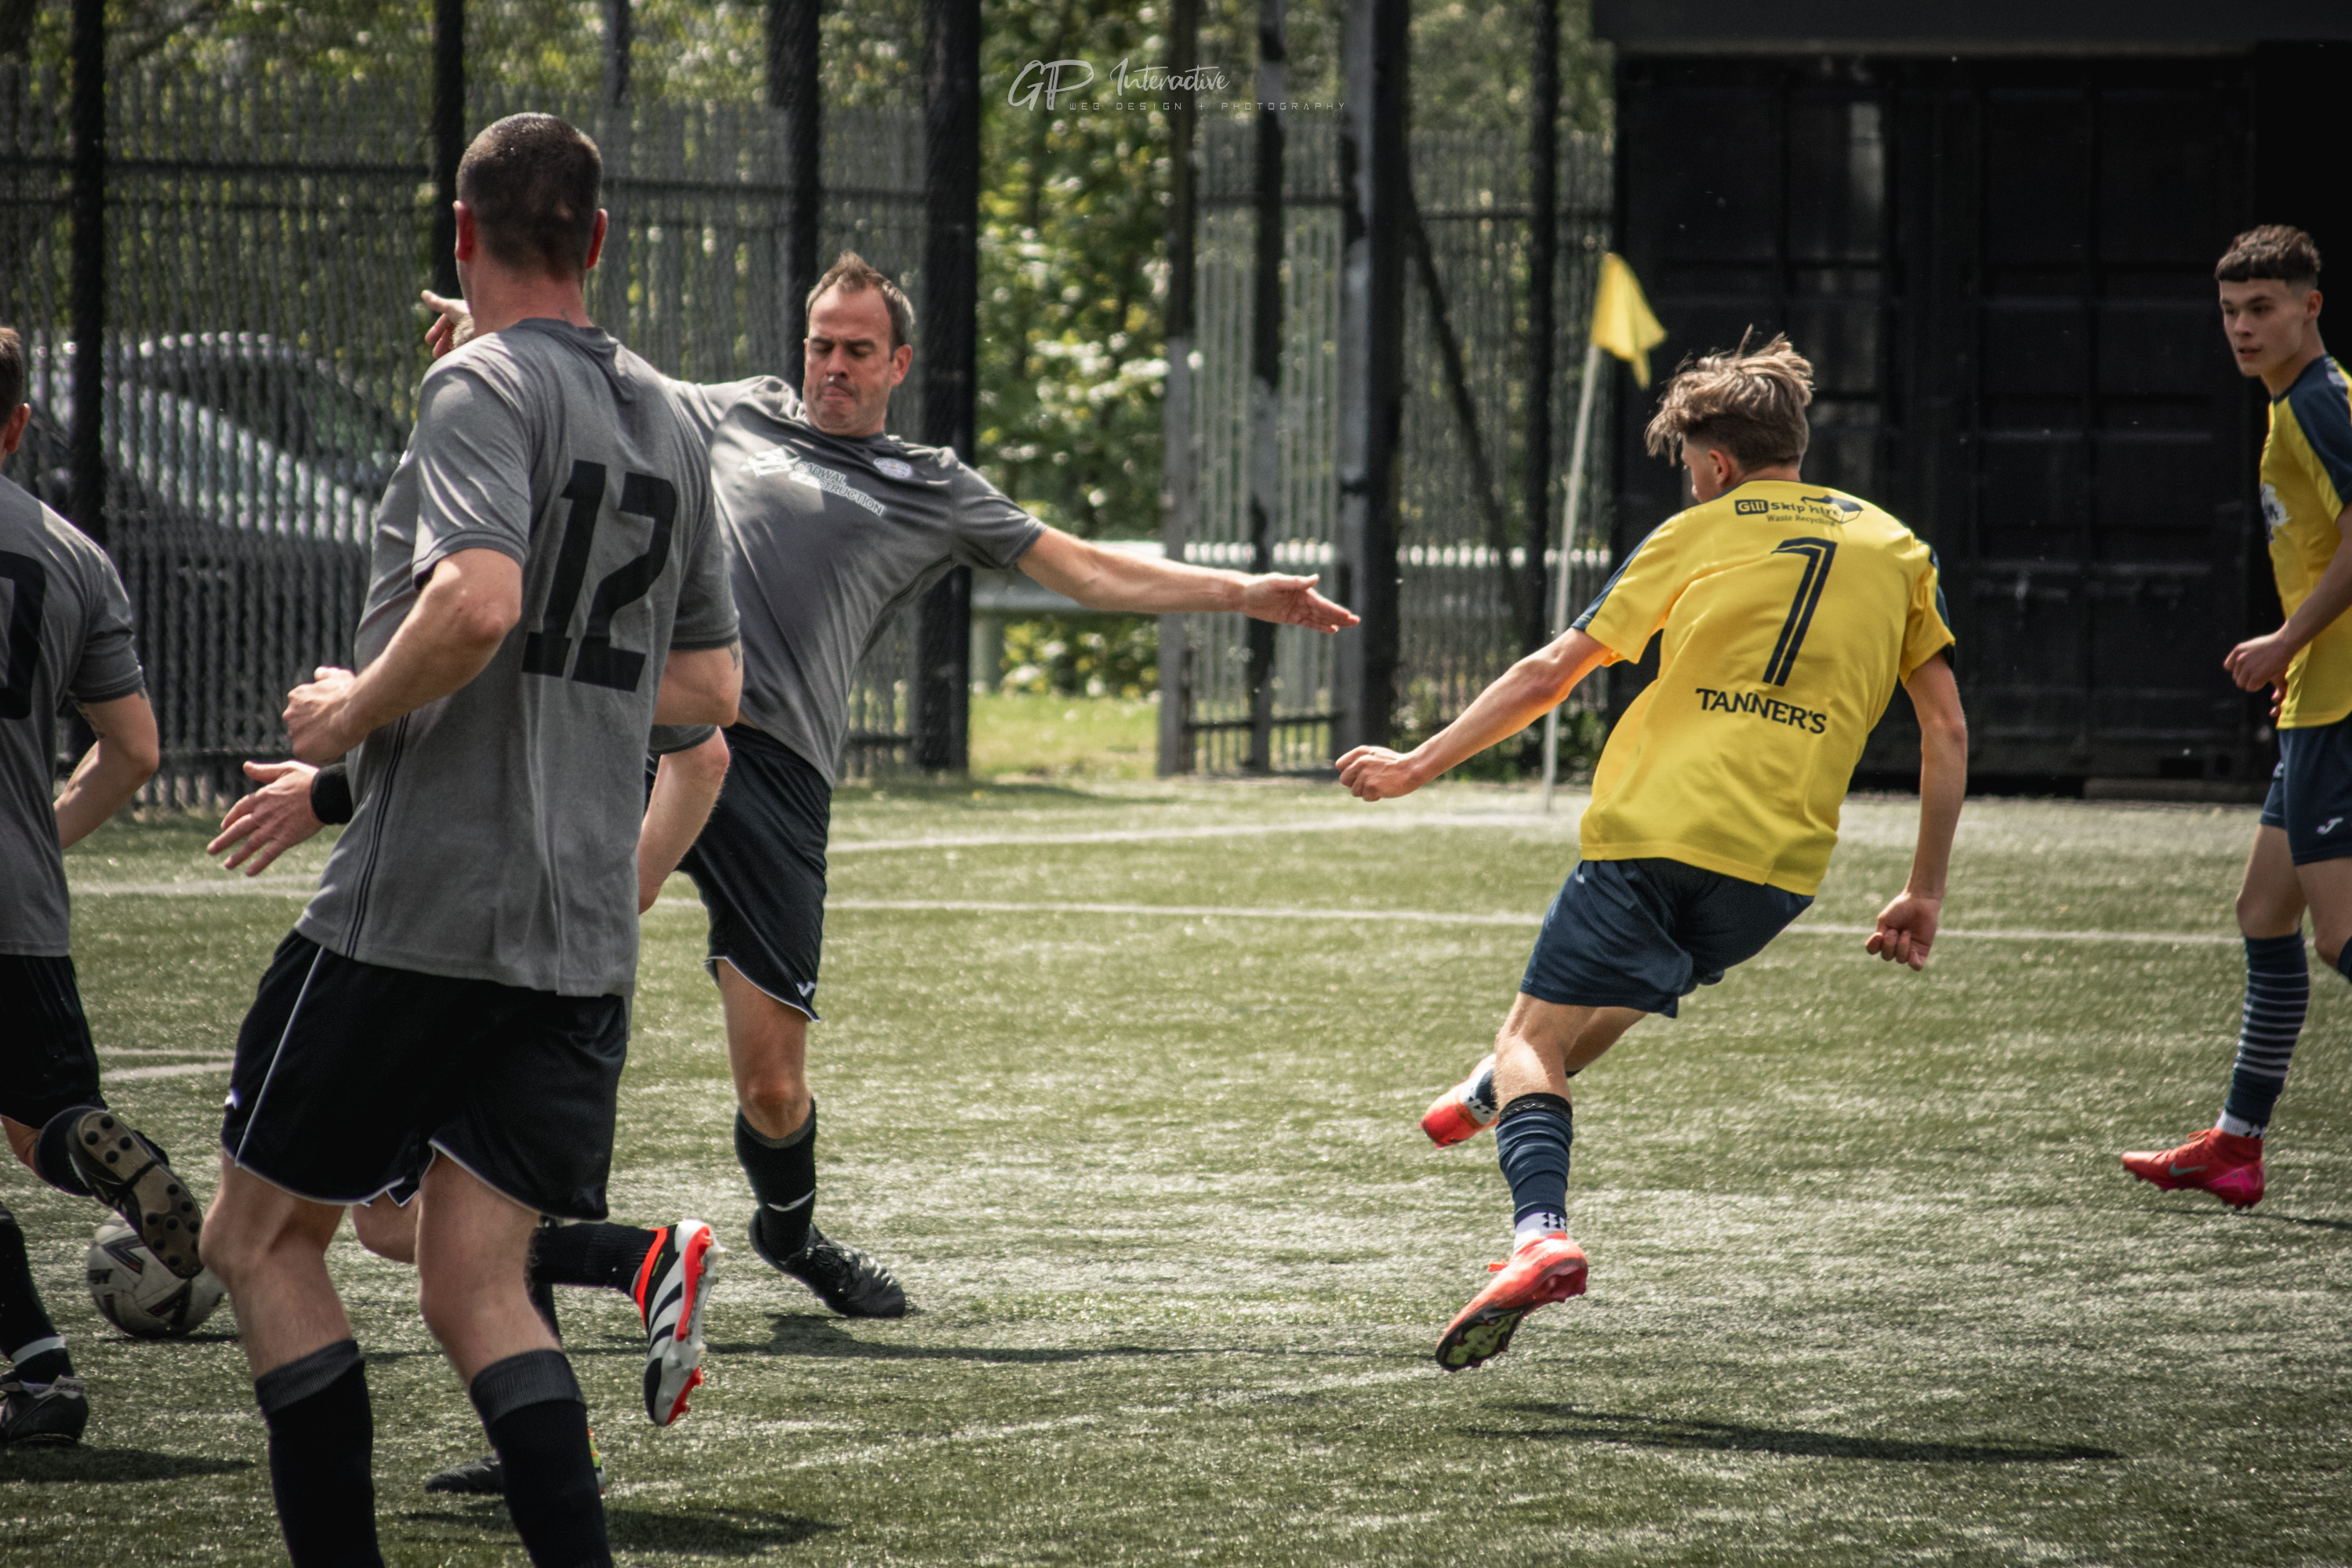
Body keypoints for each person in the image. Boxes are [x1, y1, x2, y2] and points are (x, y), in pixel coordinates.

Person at [411, 252, 1358, 1327]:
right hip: (647, 731)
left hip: (777, 774)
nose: (835, 367)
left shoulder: (930, 485)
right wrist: (488, 334)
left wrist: (1244, 593)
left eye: (860, 350)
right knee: (558, 969)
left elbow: (1086, 572)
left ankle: (789, 1234)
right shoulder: (734, 413)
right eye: (821, 344)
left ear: (898, 362)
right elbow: (595, 371)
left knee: (772, 1090)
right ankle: (519, 1241)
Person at [196, 113, 741, 1568]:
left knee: (254, 1244)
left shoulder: (476, 387)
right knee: (472, 1285)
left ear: (460, 234)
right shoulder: (674, 416)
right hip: (577, 937)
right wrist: (576, 669)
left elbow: (481, 604)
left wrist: (343, 716)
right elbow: (710, 687)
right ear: (602, 242)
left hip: (419, 915)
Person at [1338, 333, 1967, 1371]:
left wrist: (1417, 764)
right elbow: (1944, 731)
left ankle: (1538, 1237)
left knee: (1532, 1034)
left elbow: (1551, 674)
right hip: (1780, 869)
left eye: (1690, 465)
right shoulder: (1898, 548)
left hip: (1655, 833)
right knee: (1620, 998)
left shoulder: (1698, 531)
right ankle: (1495, 1090)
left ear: (1714, 463)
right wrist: (1923, 889)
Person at [0, 324, 208, 1448]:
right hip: (19, 898)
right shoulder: (74, 555)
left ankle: (38, 1367)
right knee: (46, 1124)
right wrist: (41, 833)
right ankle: (104, 1155)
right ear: (20, 426)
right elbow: (133, 750)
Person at [2123, 225, 2352, 1210]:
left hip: (2340, 701)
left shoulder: (2317, 405)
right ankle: (2237, 1144)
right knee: (2266, 913)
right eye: (2231, 310)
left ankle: (2238, 1141)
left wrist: (2287, 637)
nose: (2244, 326)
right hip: (2318, 701)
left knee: (2341, 938)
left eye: (2264, 307)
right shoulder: (2294, 405)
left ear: (2311, 306)